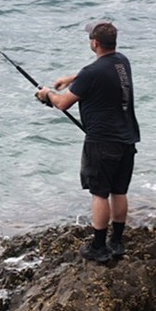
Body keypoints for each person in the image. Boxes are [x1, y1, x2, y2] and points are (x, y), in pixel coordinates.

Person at [35, 21, 140, 263]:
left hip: (102, 143)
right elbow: (98, 72)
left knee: (100, 194)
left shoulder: (92, 73)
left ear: (94, 43)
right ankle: (117, 242)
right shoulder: (122, 61)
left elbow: (62, 104)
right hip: (127, 138)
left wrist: (46, 94)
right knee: (119, 191)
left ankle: (99, 246)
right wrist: (72, 79)